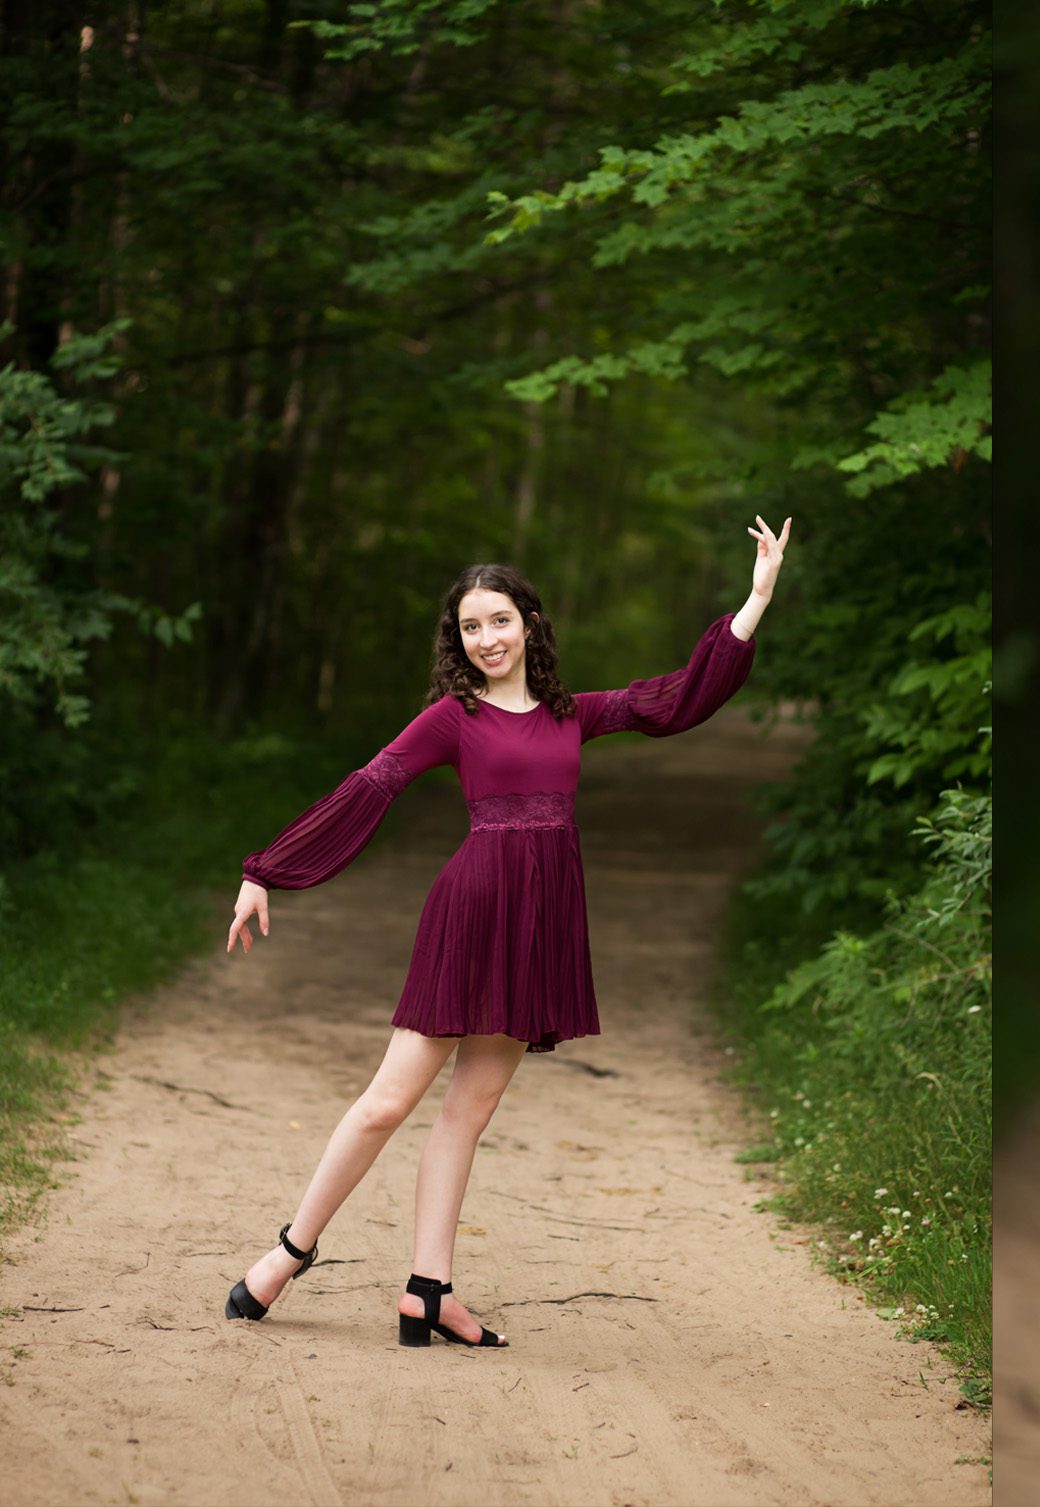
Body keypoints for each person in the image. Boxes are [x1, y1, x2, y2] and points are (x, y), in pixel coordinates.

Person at [221, 515, 790, 1349]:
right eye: (470, 626)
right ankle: (285, 1254)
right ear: (458, 641)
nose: (487, 637)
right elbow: (369, 787)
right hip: (473, 909)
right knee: (387, 1103)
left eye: (499, 619)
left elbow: (674, 700)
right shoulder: (454, 718)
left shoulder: (573, 714)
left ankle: (428, 1291)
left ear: (529, 623)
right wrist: (266, 869)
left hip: (541, 922)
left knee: (469, 1113)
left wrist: (756, 597)